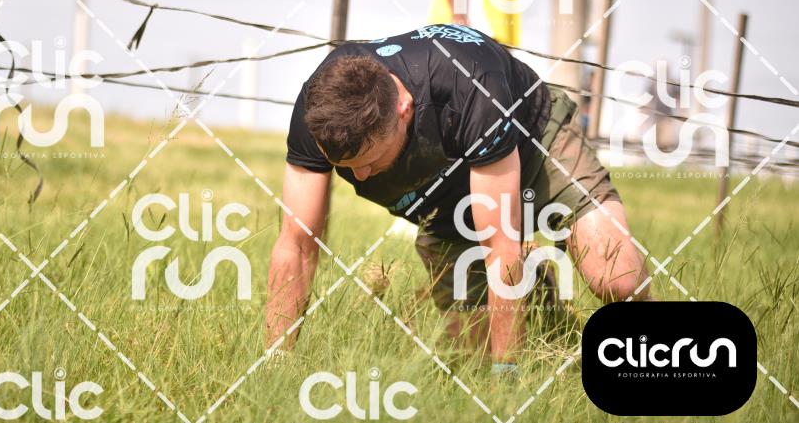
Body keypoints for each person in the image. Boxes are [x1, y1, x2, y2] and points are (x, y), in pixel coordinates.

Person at [265, 25, 653, 375]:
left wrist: (507, 377)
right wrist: (276, 364)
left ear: (403, 108)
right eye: (346, 168)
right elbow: (296, 246)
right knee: (474, 355)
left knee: (614, 275)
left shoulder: (469, 84)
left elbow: (499, 246)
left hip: (533, 140)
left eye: (369, 161)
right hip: (446, 203)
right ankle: (546, 312)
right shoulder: (320, 110)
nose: (361, 177)